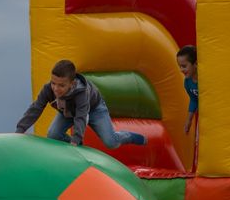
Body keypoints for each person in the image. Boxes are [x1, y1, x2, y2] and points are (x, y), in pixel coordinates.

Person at [15, 59, 147, 148]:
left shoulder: (81, 92)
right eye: (53, 83)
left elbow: (81, 116)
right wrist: (20, 130)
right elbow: (36, 108)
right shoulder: (48, 89)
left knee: (111, 142)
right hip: (68, 112)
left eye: (61, 85)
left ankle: (131, 136)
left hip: (94, 109)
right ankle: (78, 146)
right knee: (53, 135)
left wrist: (76, 139)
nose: (56, 88)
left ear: (72, 84)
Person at [176, 45, 198, 134]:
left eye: (184, 66)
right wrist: (189, 120)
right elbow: (194, 100)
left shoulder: (205, 79)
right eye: (180, 66)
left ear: (195, 64)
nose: (181, 70)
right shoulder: (187, 83)